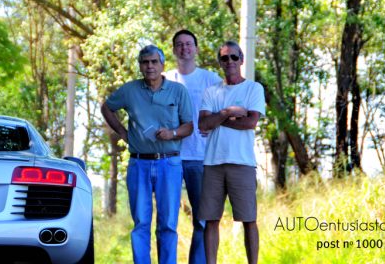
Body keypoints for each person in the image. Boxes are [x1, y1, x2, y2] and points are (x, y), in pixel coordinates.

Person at [101, 44, 194, 264]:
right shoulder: (130, 90)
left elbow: (189, 126)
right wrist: (123, 132)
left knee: (168, 224)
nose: (150, 66)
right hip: (139, 164)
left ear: (162, 64)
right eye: (145, 62)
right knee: (141, 222)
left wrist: (172, 133)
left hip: (169, 163)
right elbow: (107, 107)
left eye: (154, 62)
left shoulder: (178, 91)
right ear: (140, 66)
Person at [198, 41, 266, 264]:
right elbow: (203, 124)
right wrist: (228, 112)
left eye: (234, 57)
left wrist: (217, 119)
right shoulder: (211, 91)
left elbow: (250, 123)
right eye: (225, 58)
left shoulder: (253, 89)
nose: (230, 62)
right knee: (211, 220)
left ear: (241, 60)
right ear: (219, 62)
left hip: (242, 163)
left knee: (249, 219)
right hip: (213, 164)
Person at [164, 30, 222, 264]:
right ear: (174, 50)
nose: (184, 48)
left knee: (202, 219)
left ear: (196, 49)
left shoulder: (210, 79)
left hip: (200, 157)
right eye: (179, 44)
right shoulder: (165, 79)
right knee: (167, 221)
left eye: (189, 44)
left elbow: (225, 111)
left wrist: (213, 125)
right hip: (169, 156)